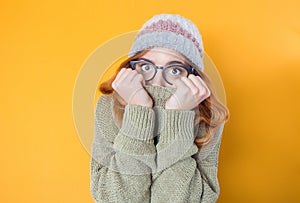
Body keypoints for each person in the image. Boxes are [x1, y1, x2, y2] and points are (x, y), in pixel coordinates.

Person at [90, 14, 230, 203]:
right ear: (132, 68)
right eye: (146, 67)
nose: (157, 82)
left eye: (174, 70)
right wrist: (138, 113)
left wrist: (177, 118)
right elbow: (116, 199)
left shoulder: (208, 118)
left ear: (193, 78)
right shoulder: (108, 107)